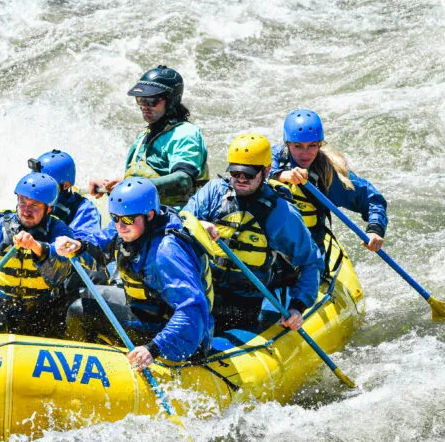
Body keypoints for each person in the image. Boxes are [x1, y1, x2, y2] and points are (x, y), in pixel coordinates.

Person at [57, 177, 214, 371]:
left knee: (79, 310)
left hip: (178, 334)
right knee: (84, 294)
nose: (120, 226)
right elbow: (101, 242)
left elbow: (192, 311)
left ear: (149, 215)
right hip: (147, 310)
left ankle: (78, 372)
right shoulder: (129, 225)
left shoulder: (167, 252)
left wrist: (153, 348)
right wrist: (79, 245)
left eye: (127, 220)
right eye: (115, 218)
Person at [185, 133, 323, 333]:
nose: (240, 179)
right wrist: (196, 224)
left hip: (247, 303)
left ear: (266, 171)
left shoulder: (280, 212)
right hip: (206, 291)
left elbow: (310, 261)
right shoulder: (214, 192)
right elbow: (178, 222)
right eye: (235, 172)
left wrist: (298, 307)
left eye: (249, 174)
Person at [0, 172, 97, 338]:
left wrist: (36, 247)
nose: (26, 210)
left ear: (49, 209)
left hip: (42, 316)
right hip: (1, 312)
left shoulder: (60, 232)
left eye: (34, 205)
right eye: (22, 202)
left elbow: (59, 273)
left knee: (65, 316)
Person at [88, 65, 209, 207]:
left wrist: (133, 187)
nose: (144, 106)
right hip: (144, 219)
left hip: (177, 220)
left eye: (151, 101)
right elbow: (141, 182)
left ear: (171, 101)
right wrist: (108, 186)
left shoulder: (185, 133)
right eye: (140, 100)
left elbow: (183, 181)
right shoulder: (143, 137)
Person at [271, 109, 388, 252]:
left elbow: (372, 200)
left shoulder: (328, 174)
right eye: (298, 146)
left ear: (319, 144)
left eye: (312, 145)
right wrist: (281, 175)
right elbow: (249, 174)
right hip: (270, 244)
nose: (305, 153)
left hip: (308, 250)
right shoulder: (272, 157)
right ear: (287, 144)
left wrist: (375, 229)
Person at [29, 149, 102, 244]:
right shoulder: (28, 198)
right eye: (36, 180)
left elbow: (85, 249)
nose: (38, 186)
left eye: (45, 182)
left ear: (66, 185)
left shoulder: (84, 209)